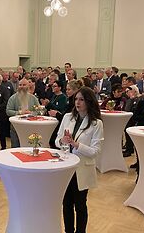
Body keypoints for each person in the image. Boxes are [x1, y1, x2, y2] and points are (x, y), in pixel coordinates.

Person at [55, 86, 103, 233]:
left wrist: (76, 145)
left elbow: (95, 152)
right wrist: (62, 141)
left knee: (80, 205)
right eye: (76, 99)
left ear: (89, 101)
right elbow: (57, 141)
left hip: (82, 169)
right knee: (66, 204)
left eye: (81, 99)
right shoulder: (67, 117)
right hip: (66, 168)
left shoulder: (96, 123)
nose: (78, 102)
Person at [6, 78, 40, 147]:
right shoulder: (13, 98)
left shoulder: (33, 98)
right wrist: (19, 112)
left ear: (28, 86)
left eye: (24, 85)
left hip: (30, 127)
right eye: (20, 85)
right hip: (16, 128)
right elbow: (8, 111)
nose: (21, 86)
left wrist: (31, 113)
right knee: (16, 147)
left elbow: (39, 111)